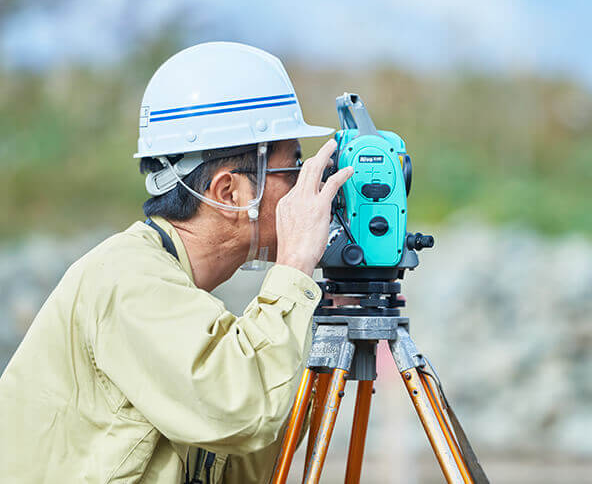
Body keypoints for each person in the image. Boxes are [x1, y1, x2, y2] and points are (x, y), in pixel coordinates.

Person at [0, 42, 354, 483]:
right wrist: (296, 264)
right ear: (229, 193)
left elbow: (242, 459)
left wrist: (325, 314)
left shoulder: (174, 290)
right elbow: (244, 411)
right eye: (293, 168)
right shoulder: (128, 279)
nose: (307, 187)